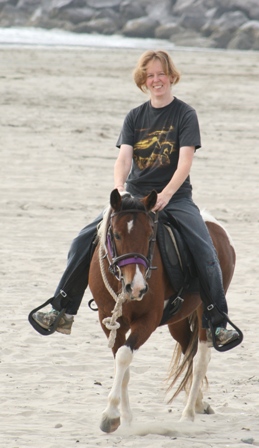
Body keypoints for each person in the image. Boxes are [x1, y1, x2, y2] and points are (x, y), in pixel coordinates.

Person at [32, 50, 239, 347]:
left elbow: (184, 163)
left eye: (161, 74)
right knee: (82, 239)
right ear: (144, 81)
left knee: (206, 253)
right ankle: (61, 308)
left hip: (175, 197)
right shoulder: (134, 116)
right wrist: (120, 190)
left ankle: (218, 322)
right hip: (133, 197)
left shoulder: (185, 114)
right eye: (150, 75)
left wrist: (166, 195)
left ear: (171, 77)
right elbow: (124, 158)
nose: (157, 80)